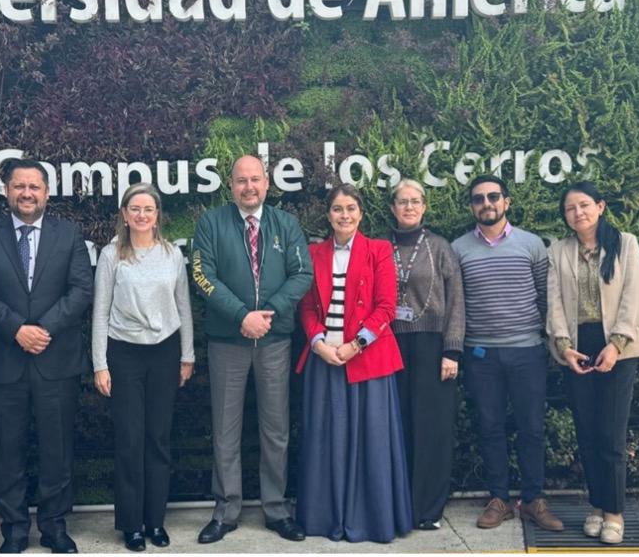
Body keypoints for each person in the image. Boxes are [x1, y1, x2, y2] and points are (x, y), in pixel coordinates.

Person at [0, 158, 93, 554]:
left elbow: (81, 290)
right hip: (5, 361)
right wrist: (17, 329)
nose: (26, 193)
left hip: (56, 362)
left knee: (58, 451)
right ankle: (15, 531)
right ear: (7, 191)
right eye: (19, 186)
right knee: (8, 452)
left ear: (46, 193)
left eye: (34, 187)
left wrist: (45, 329)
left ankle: (55, 528)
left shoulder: (69, 234)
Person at [190, 155, 313, 544]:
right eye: (241, 181)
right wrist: (242, 316)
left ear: (267, 183)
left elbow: (303, 274)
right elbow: (201, 274)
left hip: (274, 341)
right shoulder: (211, 223)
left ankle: (276, 510)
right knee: (225, 431)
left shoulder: (285, 224)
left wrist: (270, 312)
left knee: (275, 429)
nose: (249, 187)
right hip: (228, 342)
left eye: (255, 180)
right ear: (231, 185)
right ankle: (225, 512)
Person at [295, 183, 412, 542]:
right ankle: (324, 517)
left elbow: (386, 307)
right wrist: (318, 343)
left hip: (367, 361)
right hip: (324, 360)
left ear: (360, 213)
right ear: (328, 215)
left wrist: (355, 345)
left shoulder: (378, 250)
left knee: (371, 441)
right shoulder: (313, 253)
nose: (344, 215)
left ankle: (371, 519)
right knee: (324, 440)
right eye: (337, 209)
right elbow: (308, 307)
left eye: (350, 208)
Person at [451, 174, 563, 532]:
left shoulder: (532, 245)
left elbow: (546, 298)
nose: (486, 203)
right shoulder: (458, 249)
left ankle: (532, 500)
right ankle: (499, 499)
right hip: (481, 355)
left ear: (506, 202)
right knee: (490, 427)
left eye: (493, 197)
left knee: (531, 428)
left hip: (527, 352)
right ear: (472, 206)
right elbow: (457, 305)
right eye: (479, 199)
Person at [91, 183, 195, 552]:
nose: (141, 215)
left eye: (148, 209)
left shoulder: (171, 255)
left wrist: (188, 355)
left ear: (157, 215)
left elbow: (183, 308)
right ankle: (132, 524)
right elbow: (100, 311)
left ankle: (155, 522)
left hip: (165, 353)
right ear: (124, 214)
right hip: (124, 355)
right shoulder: (111, 256)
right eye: (134, 208)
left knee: (158, 439)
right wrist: (100, 364)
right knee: (130, 441)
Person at [546, 182, 639, 546]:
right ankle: (596, 504)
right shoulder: (559, 251)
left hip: (618, 349)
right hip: (577, 348)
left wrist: (617, 345)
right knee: (587, 433)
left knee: (611, 435)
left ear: (600, 206)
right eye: (570, 209)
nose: (578, 213)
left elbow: (633, 297)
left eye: (584, 205)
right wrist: (564, 346)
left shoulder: (626, 244)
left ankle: (615, 512)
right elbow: (554, 302)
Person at [388, 179, 464, 531]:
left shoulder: (440, 247)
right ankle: (398, 503)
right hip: (390, 345)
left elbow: (457, 304)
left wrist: (452, 350)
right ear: (392, 208)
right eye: (402, 202)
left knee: (432, 428)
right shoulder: (379, 246)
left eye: (415, 201)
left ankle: (428, 508)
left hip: (433, 346)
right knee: (397, 424)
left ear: (424, 206)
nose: (409, 207)